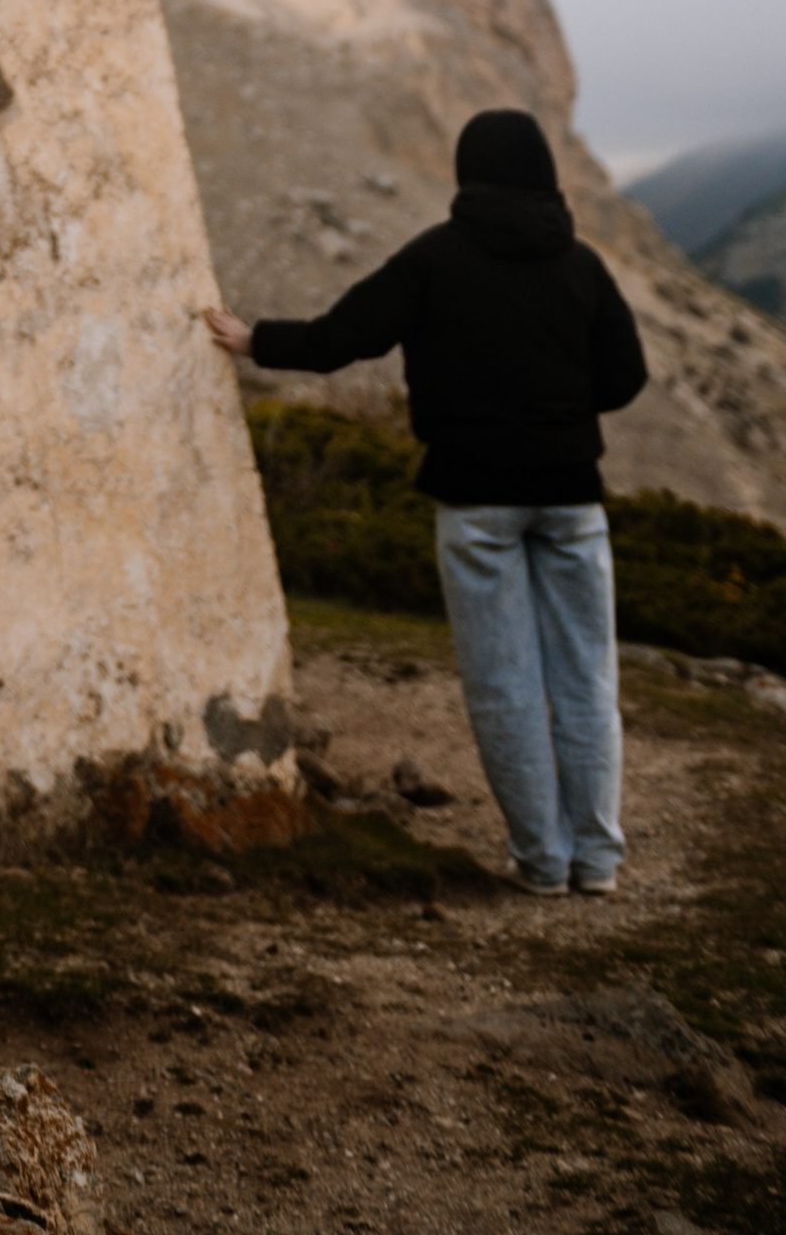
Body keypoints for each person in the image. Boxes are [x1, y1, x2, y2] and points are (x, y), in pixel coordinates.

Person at [203, 108, 648, 897]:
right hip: (571, 498)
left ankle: (542, 862)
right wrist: (558, 405)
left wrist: (254, 341)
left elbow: (346, 336)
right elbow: (625, 379)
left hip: (475, 503)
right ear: (544, 173)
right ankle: (599, 861)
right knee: (586, 677)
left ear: (467, 175)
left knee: (503, 684)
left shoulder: (434, 261)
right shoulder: (581, 265)